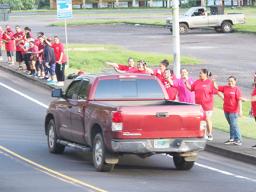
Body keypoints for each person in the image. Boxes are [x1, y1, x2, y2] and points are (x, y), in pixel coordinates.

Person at [185, 69, 217, 141]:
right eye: (199, 73)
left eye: (201, 73)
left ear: (205, 74)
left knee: (207, 119)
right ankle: (203, 134)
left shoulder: (209, 82)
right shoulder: (197, 82)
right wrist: (186, 84)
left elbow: (215, 91)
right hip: (198, 105)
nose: (199, 75)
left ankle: (210, 134)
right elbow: (191, 89)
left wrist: (214, 83)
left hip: (207, 105)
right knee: (201, 120)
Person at [217, 76, 243, 146]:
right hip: (226, 110)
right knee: (231, 124)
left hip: (233, 111)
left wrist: (240, 110)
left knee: (234, 125)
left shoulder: (237, 89)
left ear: (235, 81)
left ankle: (238, 140)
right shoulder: (225, 87)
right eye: (229, 81)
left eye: (232, 81)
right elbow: (216, 88)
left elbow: (239, 100)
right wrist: (213, 81)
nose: (230, 82)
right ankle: (232, 138)